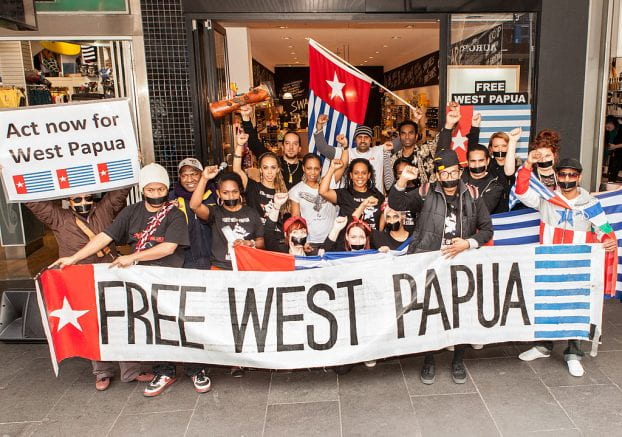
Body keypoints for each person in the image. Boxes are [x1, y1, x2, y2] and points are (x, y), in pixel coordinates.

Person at [51, 163, 193, 397]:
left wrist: (133, 257)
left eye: (160, 190)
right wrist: (74, 258)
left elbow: (168, 248)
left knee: (169, 325)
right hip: (139, 280)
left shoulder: (175, 214)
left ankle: (177, 367)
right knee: (149, 326)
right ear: (142, 190)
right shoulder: (131, 212)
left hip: (166, 277)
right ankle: (162, 370)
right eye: (151, 190)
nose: (156, 195)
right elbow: (105, 237)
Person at [24, 186, 151, 391]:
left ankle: (131, 371)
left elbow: (119, 193)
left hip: (109, 273)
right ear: (69, 201)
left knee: (121, 322)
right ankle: (101, 372)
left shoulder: (104, 210)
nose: (82, 202)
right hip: (79, 278)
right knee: (91, 324)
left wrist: (131, 163)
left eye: (86, 198)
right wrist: (11, 176)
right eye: (77, 199)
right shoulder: (58, 217)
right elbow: (33, 203)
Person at [388, 149, 493, 385]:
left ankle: (458, 359)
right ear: (437, 175)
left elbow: (487, 229)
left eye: (454, 173)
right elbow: (396, 202)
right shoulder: (425, 192)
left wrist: (468, 243)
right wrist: (403, 179)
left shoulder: (474, 194)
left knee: (461, 312)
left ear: (461, 172)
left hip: (460, 262)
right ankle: (429, 360)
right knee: (431, 312)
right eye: (444, 174)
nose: (449, 178)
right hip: (430, 261)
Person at [514, 155, 617, 377]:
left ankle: (574, 353)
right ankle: (543, 346)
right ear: (557, 176)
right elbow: (522, 191)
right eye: (563, 174)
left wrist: (607, 239)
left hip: (578, 265)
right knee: (546, 303)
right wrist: (528, 165)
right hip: (549, 262)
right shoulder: (547, 199)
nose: (567, 178)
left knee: (577, 307)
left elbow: (603, 228)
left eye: (572, 175)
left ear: (579, 177)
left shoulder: (591, 204)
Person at [190, 169, 265, 270]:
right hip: (220, 269)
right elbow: (194, 206)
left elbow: (261, 242)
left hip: (246, 268)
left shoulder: (252, 213)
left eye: (235, 192)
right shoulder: (215, 212)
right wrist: (204, 178)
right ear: (218, 193)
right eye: (225, 193)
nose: (231, 197)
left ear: (240, 191)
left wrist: (249, 243)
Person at [385, 103, 459, 190]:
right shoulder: (393, 159)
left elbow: (442, 139)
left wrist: (449, 124)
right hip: (405, 199)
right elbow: (390, 183)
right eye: (403, 133)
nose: (407, 137)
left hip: (429, 197)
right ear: (399, 136)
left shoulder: (427, 150)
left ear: (416, 136)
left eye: (411, 133)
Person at [313, 114, 392, 192]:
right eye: (359, 137)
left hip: (375, 200)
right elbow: (323, 148)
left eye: (366, 137)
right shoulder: (346, 151)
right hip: (351, 201)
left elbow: (401, 142)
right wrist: (319, 126)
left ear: (371, 140)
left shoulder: (379, 150)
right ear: (355, 140)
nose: (363, 140)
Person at [240, 104, 303, 189]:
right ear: (282, 147)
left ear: (299, 149)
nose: (291, 147)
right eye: (287, 143)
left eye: (295, 144)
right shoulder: (273, 160)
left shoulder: (305, 167)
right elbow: (253, 143)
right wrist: (246, 117)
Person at [233, 131, 289, 224]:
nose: (270, 172)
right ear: (260, 170)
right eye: (265, 167)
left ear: (278, 169)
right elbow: (237, 170)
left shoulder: (282, 191)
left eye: (273, 167)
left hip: (276, 236)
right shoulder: (252, 187)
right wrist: (239, 145)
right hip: (257, 236)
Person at [171, 157, 217, 269]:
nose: (189, 179)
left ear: (202, 175)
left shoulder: (215, 194)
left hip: (214, 258)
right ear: (179, 177)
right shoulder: (172, 198)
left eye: (194, 174)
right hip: (185, 261)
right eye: (184, 176)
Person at [289, 153, 338, 252]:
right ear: (303, 168)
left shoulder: (330, 185)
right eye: (309, 168)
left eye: (316, 168)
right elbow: (296, 219)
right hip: (311, 243)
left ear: (320, 169)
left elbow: (343, 165)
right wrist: (303, 242)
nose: (313, 172)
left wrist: (344, 148)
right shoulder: (296, 190)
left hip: (333, 238)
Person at [319, 157, 385, 230]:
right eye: (356, 173)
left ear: (369, 175)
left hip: (372, 240)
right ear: (351, 175)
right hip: (348, 240)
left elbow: (383, 216)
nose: (360, 176)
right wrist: (332, 168)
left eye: (364, 173)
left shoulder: (376, 194)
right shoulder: (344, 194)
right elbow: (323, 192)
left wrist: (380, 235)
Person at [462, 144, 506, 214]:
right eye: (473, 161)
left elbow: (480, 213)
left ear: (487, 161)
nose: (477, 165)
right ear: (467, 162)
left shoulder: (495, 186)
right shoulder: (457, 177)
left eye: (481, 161)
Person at [605, 115, 622, 182]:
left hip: (619, 153)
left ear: (613, 123)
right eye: (606, 127)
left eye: (608, 127)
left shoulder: (621, 129)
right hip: (613, 155)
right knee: (612, 174)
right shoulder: (607, 132)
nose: (607, 129)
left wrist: (615, 146)